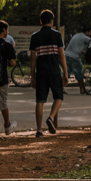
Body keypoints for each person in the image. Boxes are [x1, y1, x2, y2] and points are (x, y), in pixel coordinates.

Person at [29, 9, 67, 138]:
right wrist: (66, 74)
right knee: (58, 97)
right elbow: (61, 56)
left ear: (40, 21)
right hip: (54, 71)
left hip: (41, 72)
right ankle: (51, 118)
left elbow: (33, 58)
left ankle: (39, 130)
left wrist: (32, 76)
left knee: (40, 100)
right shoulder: (57, 35)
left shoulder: (35, 36)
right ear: (52, 21)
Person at [64, 25, 91, 95]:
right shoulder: (86, 38)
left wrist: (83, 52)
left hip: (66, 55)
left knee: (66, 72)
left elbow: (76, 47)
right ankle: (82, 89)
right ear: (87, 32)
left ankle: (61, 87)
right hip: (74, 57)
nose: (90, 34)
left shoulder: (76, 35)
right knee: (79, 72)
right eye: (90, 32)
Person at [0, 20, 16, 135]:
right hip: (1, 78)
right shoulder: (7, 45)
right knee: (3, 103)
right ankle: (7, 126)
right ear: (4, 30)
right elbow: (13, 62)